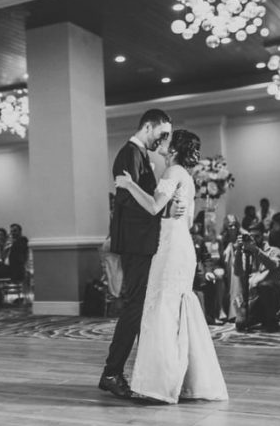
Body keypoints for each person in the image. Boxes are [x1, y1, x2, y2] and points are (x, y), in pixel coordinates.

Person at [114, 129, 227, 403]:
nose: (162, 143)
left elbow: (154, 206)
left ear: (174, 148)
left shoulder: (172, 172)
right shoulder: (186, 176)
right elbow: (185, 221)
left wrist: (129, 185)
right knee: (175, 310)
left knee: (162, 310)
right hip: (181, 244)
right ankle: (183, 381)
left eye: (167, 140)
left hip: (169, 248)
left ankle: (159, 386)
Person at [99, 109, 172, 400]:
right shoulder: (128, 153)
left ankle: (132, 371)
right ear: (148, 126)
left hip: (142, 243)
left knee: (138, 308)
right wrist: (158, 208)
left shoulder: (140, 155)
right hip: (136, 244)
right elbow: (128, 202)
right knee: (133, 307)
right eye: (162, 133)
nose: (163, 139)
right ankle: (111, 372)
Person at [232, 219, 280, 332]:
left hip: (272, 296)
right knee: (240, 324)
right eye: (251, 236)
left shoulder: (274, 251)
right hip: (253, 298)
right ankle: (264, 316)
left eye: (257, 236)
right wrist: (239, 251)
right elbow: (238, 272)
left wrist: (256, 250)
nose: (254, 239)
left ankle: (271, 318)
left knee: (264, 285)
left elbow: (273, 264)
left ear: (264, 235)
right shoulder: (246, 252)